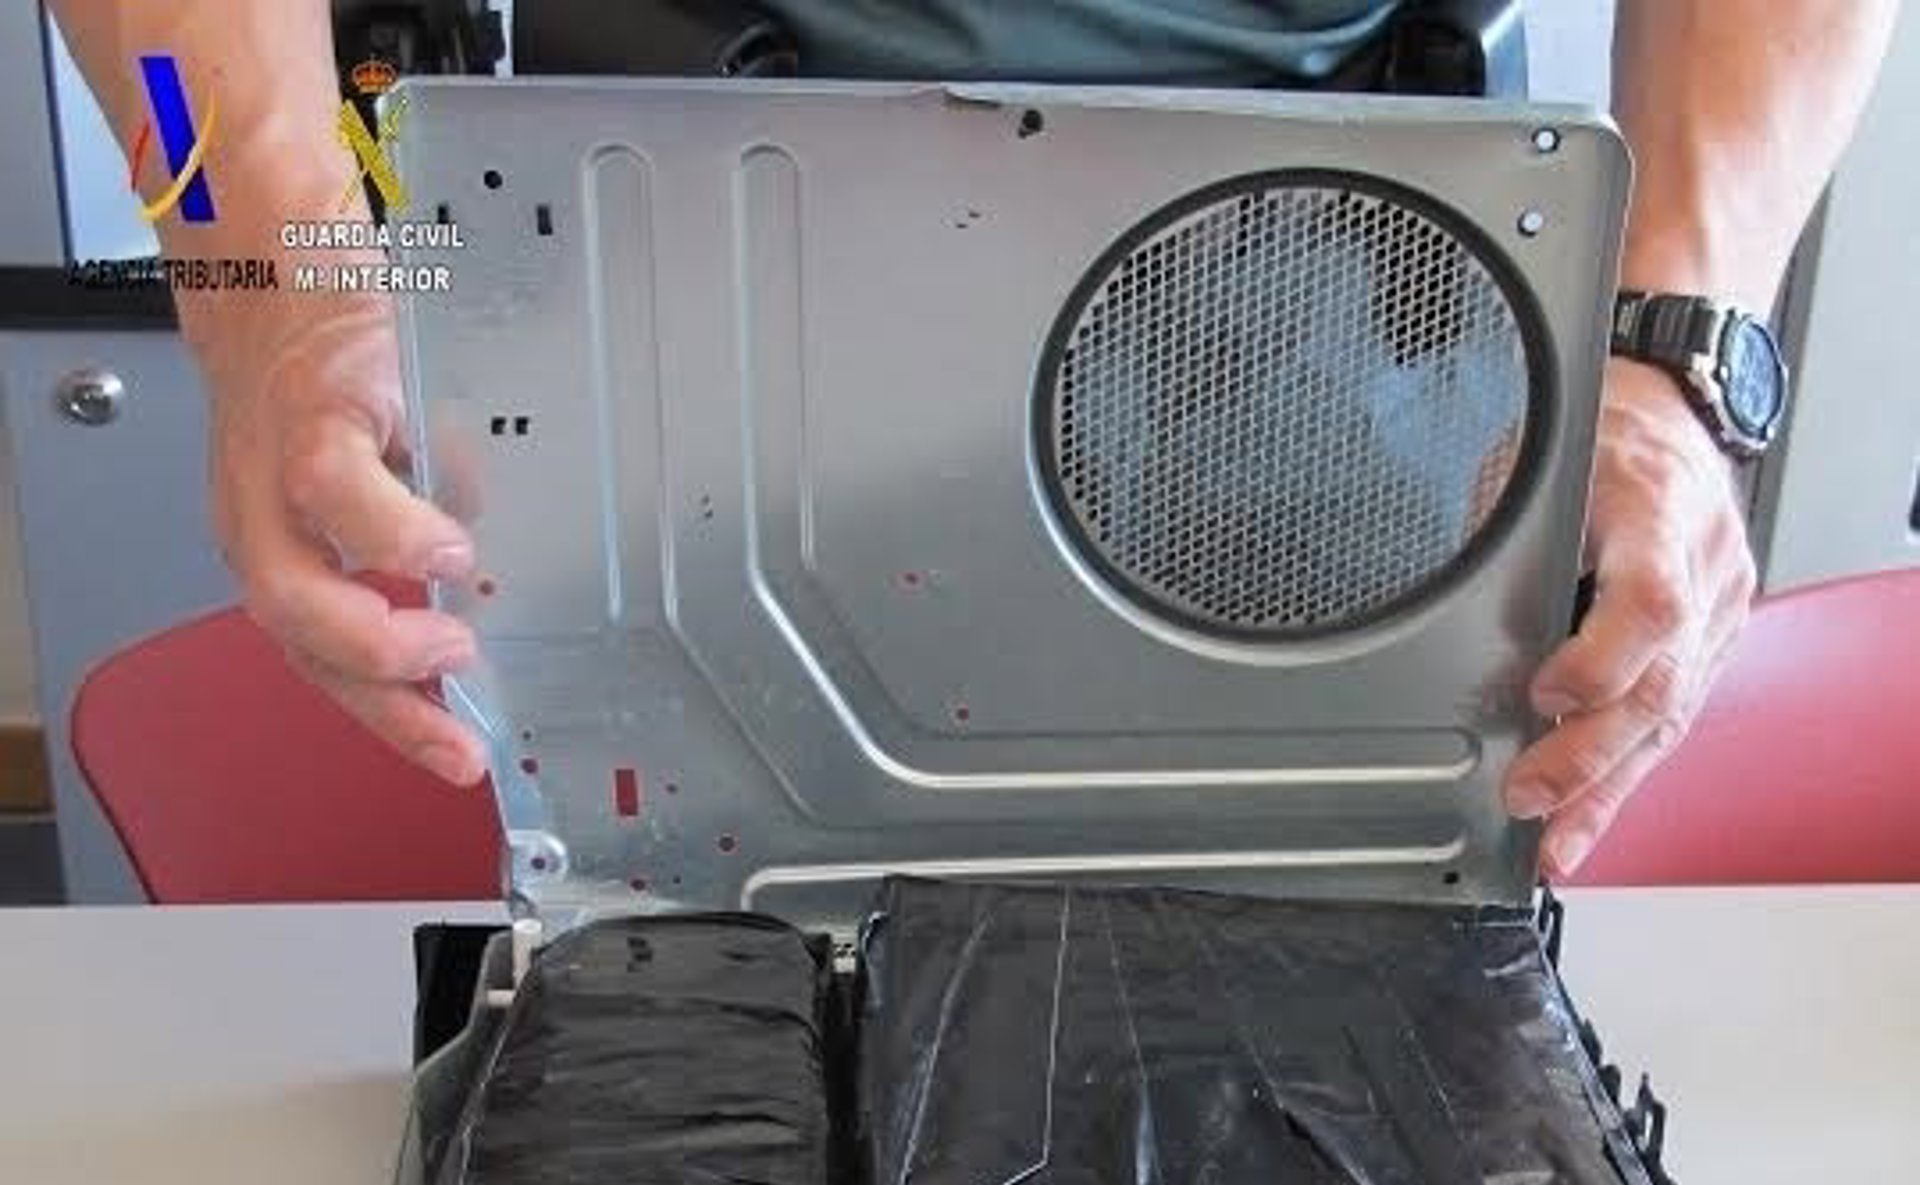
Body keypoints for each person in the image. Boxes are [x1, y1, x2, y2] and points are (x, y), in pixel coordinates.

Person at [50, 1, 1897, 877]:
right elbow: (176, 69)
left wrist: (1671, 347)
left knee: (1360, 1027)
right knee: (660, 998)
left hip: (1354, 291)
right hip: (665, 271)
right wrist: (261, 263)